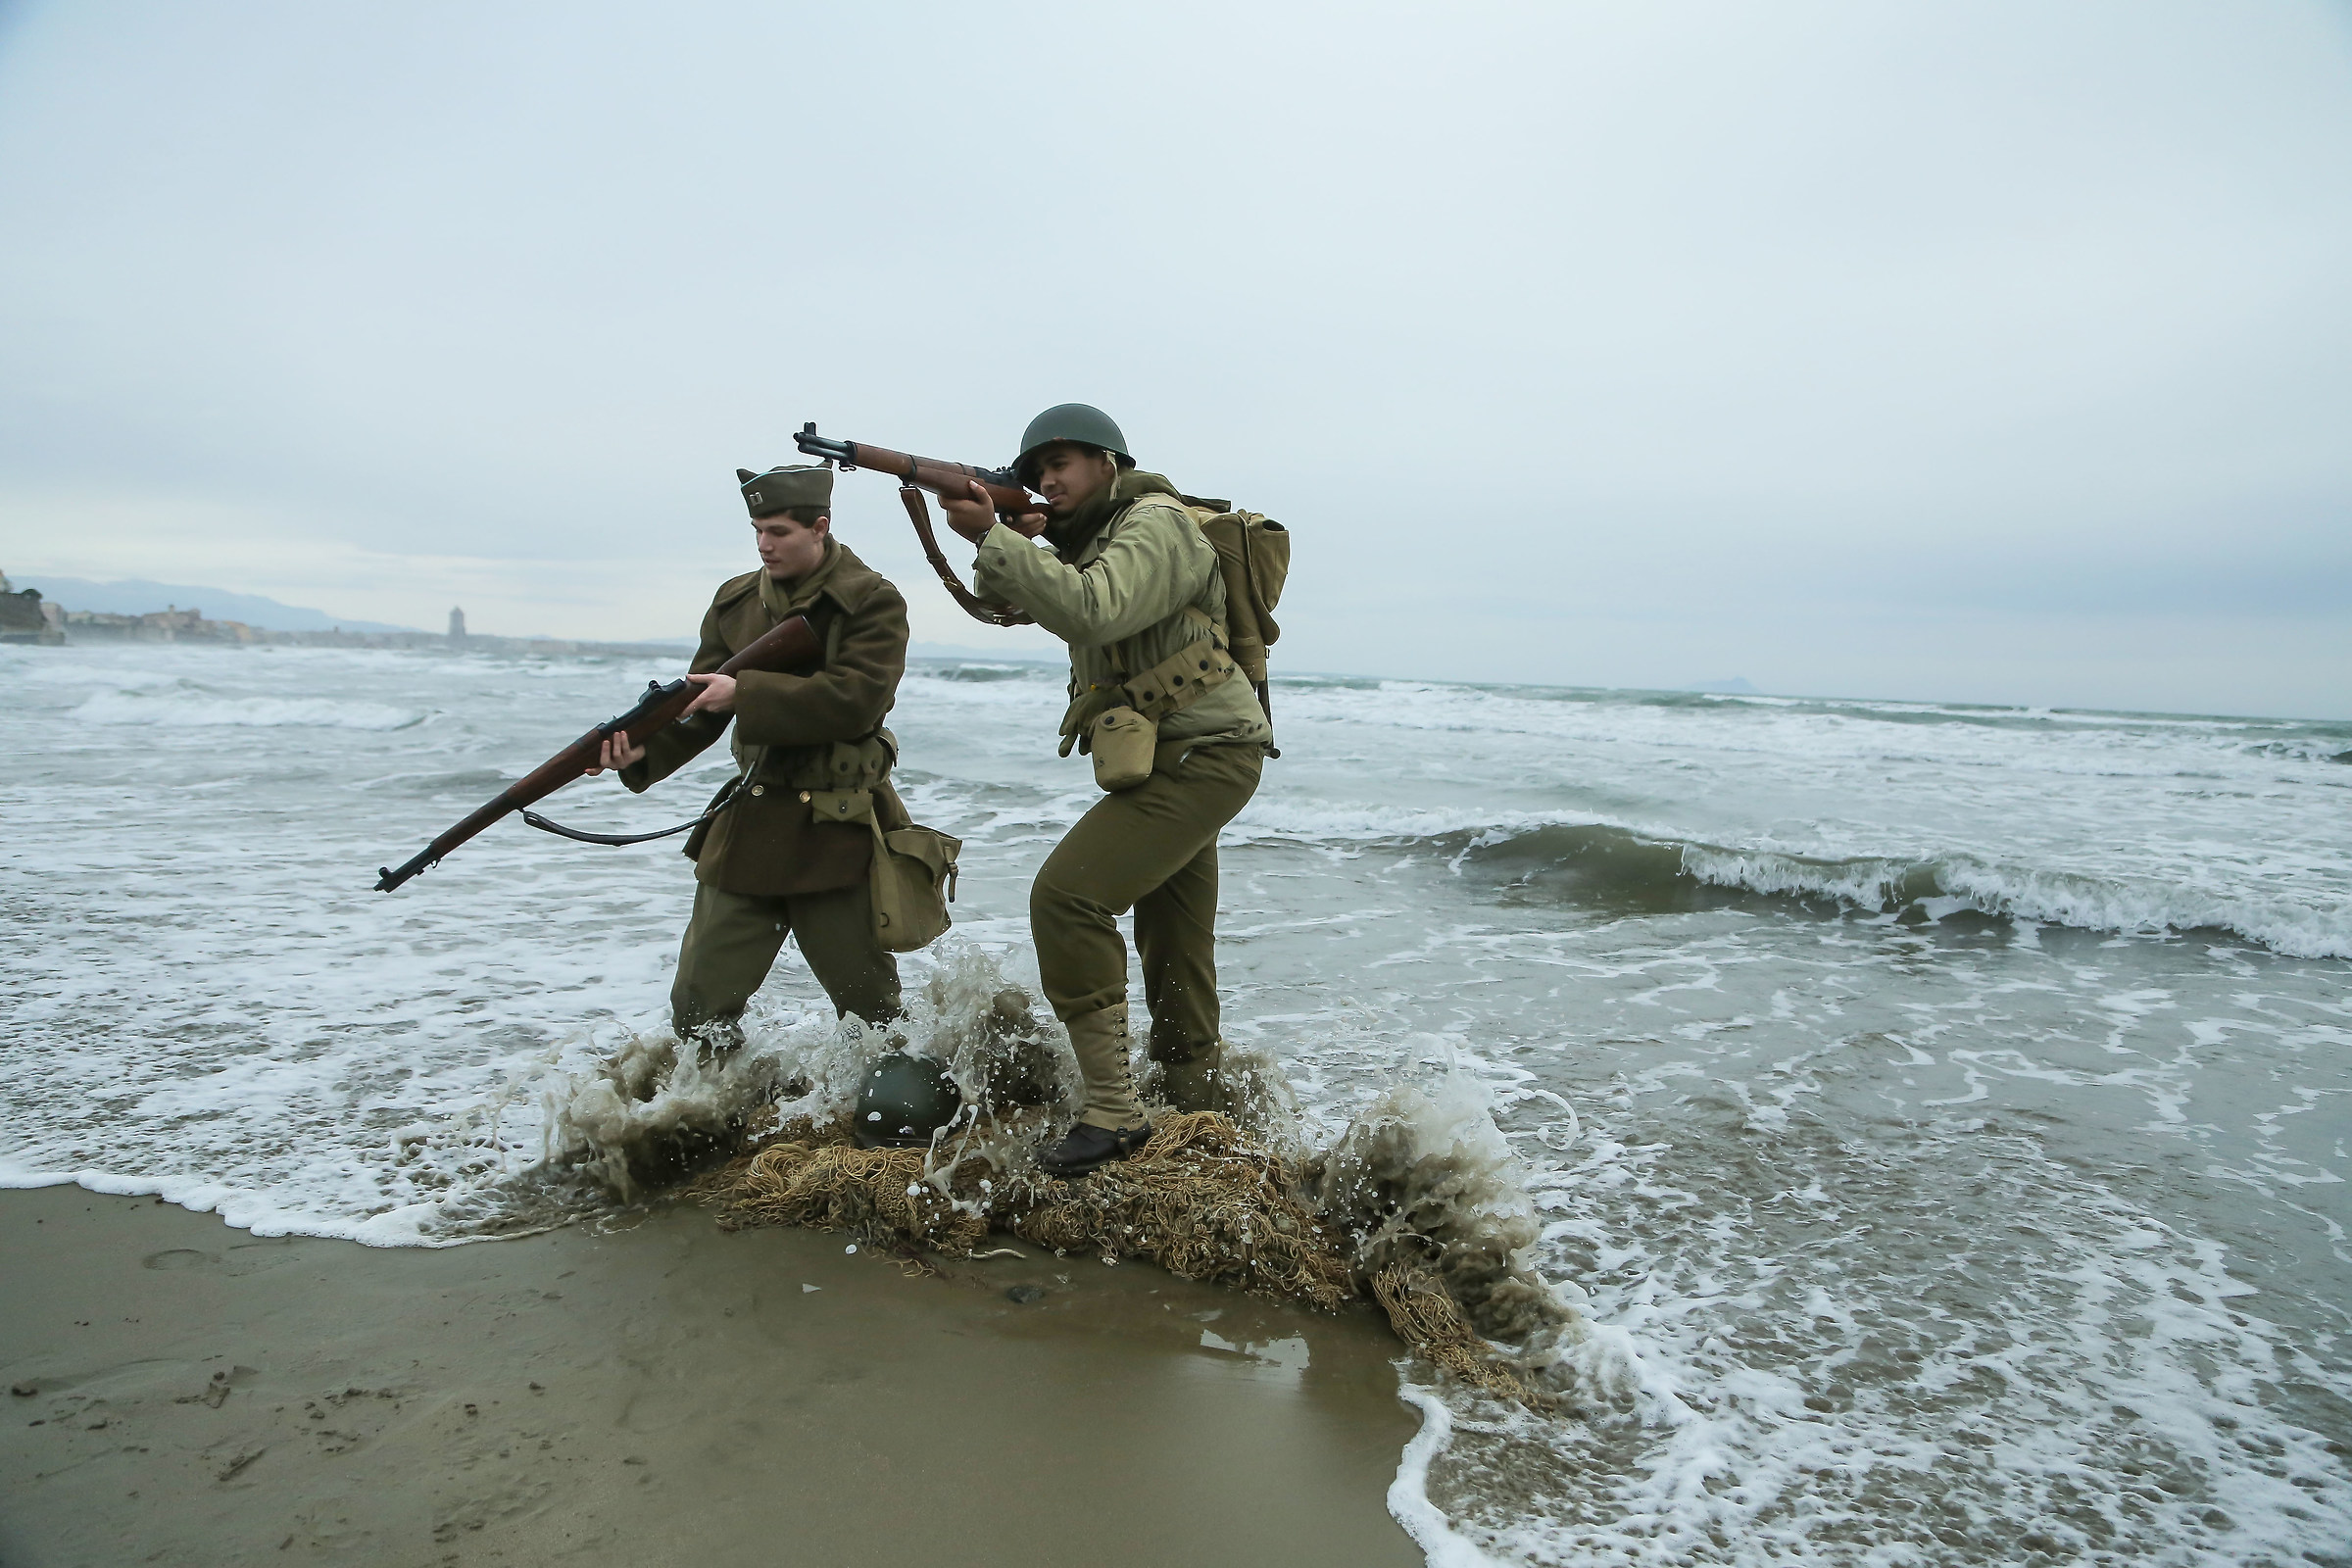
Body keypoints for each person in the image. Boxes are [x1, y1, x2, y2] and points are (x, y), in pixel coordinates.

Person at [939, 405, 1274, 1177]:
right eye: (1036, 470)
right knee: (1175, 943)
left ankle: (1115, 1114)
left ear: (1109, 464)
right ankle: (1200, 1113)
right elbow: (1022, 604)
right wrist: (1005, 538)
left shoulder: (1155, 525)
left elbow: (1095, 607)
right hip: (1175, 754)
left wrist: (992, 537)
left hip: (1206, 752)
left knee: (1067, 899)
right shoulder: (1091, 540)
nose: (1048, 478)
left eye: (1065, 462)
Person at [587, 464, 912, 1052]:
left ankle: (900, 1127)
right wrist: (637, 749)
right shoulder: (735, 602)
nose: (765, 544)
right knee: (697, 1008)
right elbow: (702, 707)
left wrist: (750, 693)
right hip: (751, 820)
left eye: (779, 531)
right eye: (758, 529)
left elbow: (858, 701)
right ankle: (714, 1115)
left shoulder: (871, 601)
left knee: (872, 1014)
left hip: (835, 827)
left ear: (820, 527)